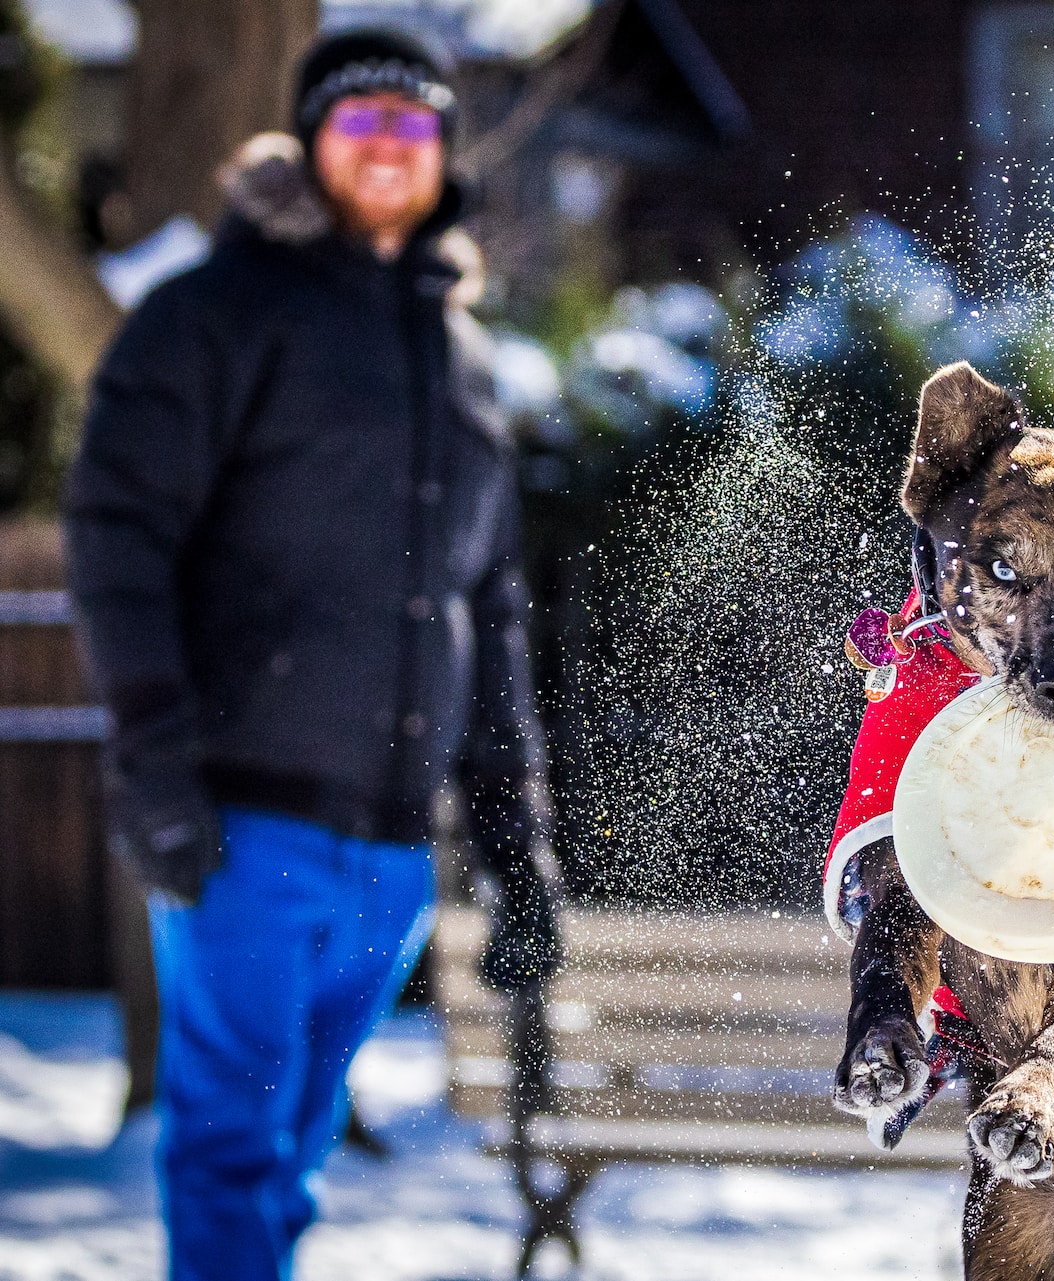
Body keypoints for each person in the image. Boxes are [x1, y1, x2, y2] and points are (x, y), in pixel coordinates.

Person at [64, 29, 560, 1281]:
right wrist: (156, 774)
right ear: (312, 143)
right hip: (244, 826)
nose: (388, 145)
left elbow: (488, 611)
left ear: (443, 154)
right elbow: (117, 541)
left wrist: (518, 848)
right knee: (231, 1146)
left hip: (394, 855)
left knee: (290, 1154)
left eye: (413, 123)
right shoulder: (214, 315)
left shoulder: (462, 355)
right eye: (361, 121)